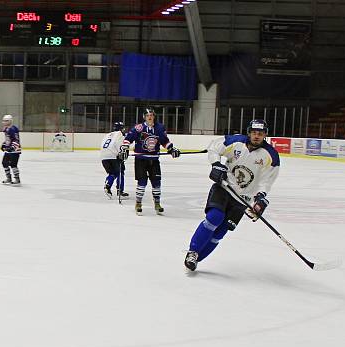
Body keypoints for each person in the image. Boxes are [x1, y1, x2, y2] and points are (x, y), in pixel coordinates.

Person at [183, 119, 280, 273]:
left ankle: (198, 258)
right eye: (254, 132)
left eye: (260, 133)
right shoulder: (235, 142)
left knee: (221, 231)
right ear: (249, 132)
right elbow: (214, 148)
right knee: (214, 217)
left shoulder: (271, 156)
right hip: (224, 187)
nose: (256, 136)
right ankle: (192, 252)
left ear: (265, 135)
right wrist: (216, 164)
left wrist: (260, 199)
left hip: (243, 199)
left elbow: (266, 182)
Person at [119, 107, 181, 215]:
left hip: (154, 160)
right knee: (142, 183)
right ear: (144, 117)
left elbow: (164, 141)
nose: (150, 117)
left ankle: (157, 203)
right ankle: (138, 203)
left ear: (154, 116)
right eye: (148, 116)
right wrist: (125, 148)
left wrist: (171, 149)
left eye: (151, 115)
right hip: (141, 160)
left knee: (156, 183)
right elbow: (128, 139)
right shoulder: (139, 128)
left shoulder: (159, 128)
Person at [100, 121, 129, 201]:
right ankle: (120, 191)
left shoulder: (108, 135)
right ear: (121, 128)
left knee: (112, 173)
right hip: (114, 156)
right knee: (120, 172)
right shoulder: (120, 134)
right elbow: (121, 146)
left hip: (104, 157)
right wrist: (122, 154)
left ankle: (108, 185)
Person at [1, 114, 21, 185]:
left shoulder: (13, 129)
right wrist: (4, 144)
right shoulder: (6, 129)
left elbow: (16, 139)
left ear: (10, 121)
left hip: (15, 151)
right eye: (3, 121)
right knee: (4, 163)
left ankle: (17, 178)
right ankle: (9, 178)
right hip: (8, 150)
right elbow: (8, 139)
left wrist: (12, 147)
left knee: (13, 164)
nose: (4, 122)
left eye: (6, 121)